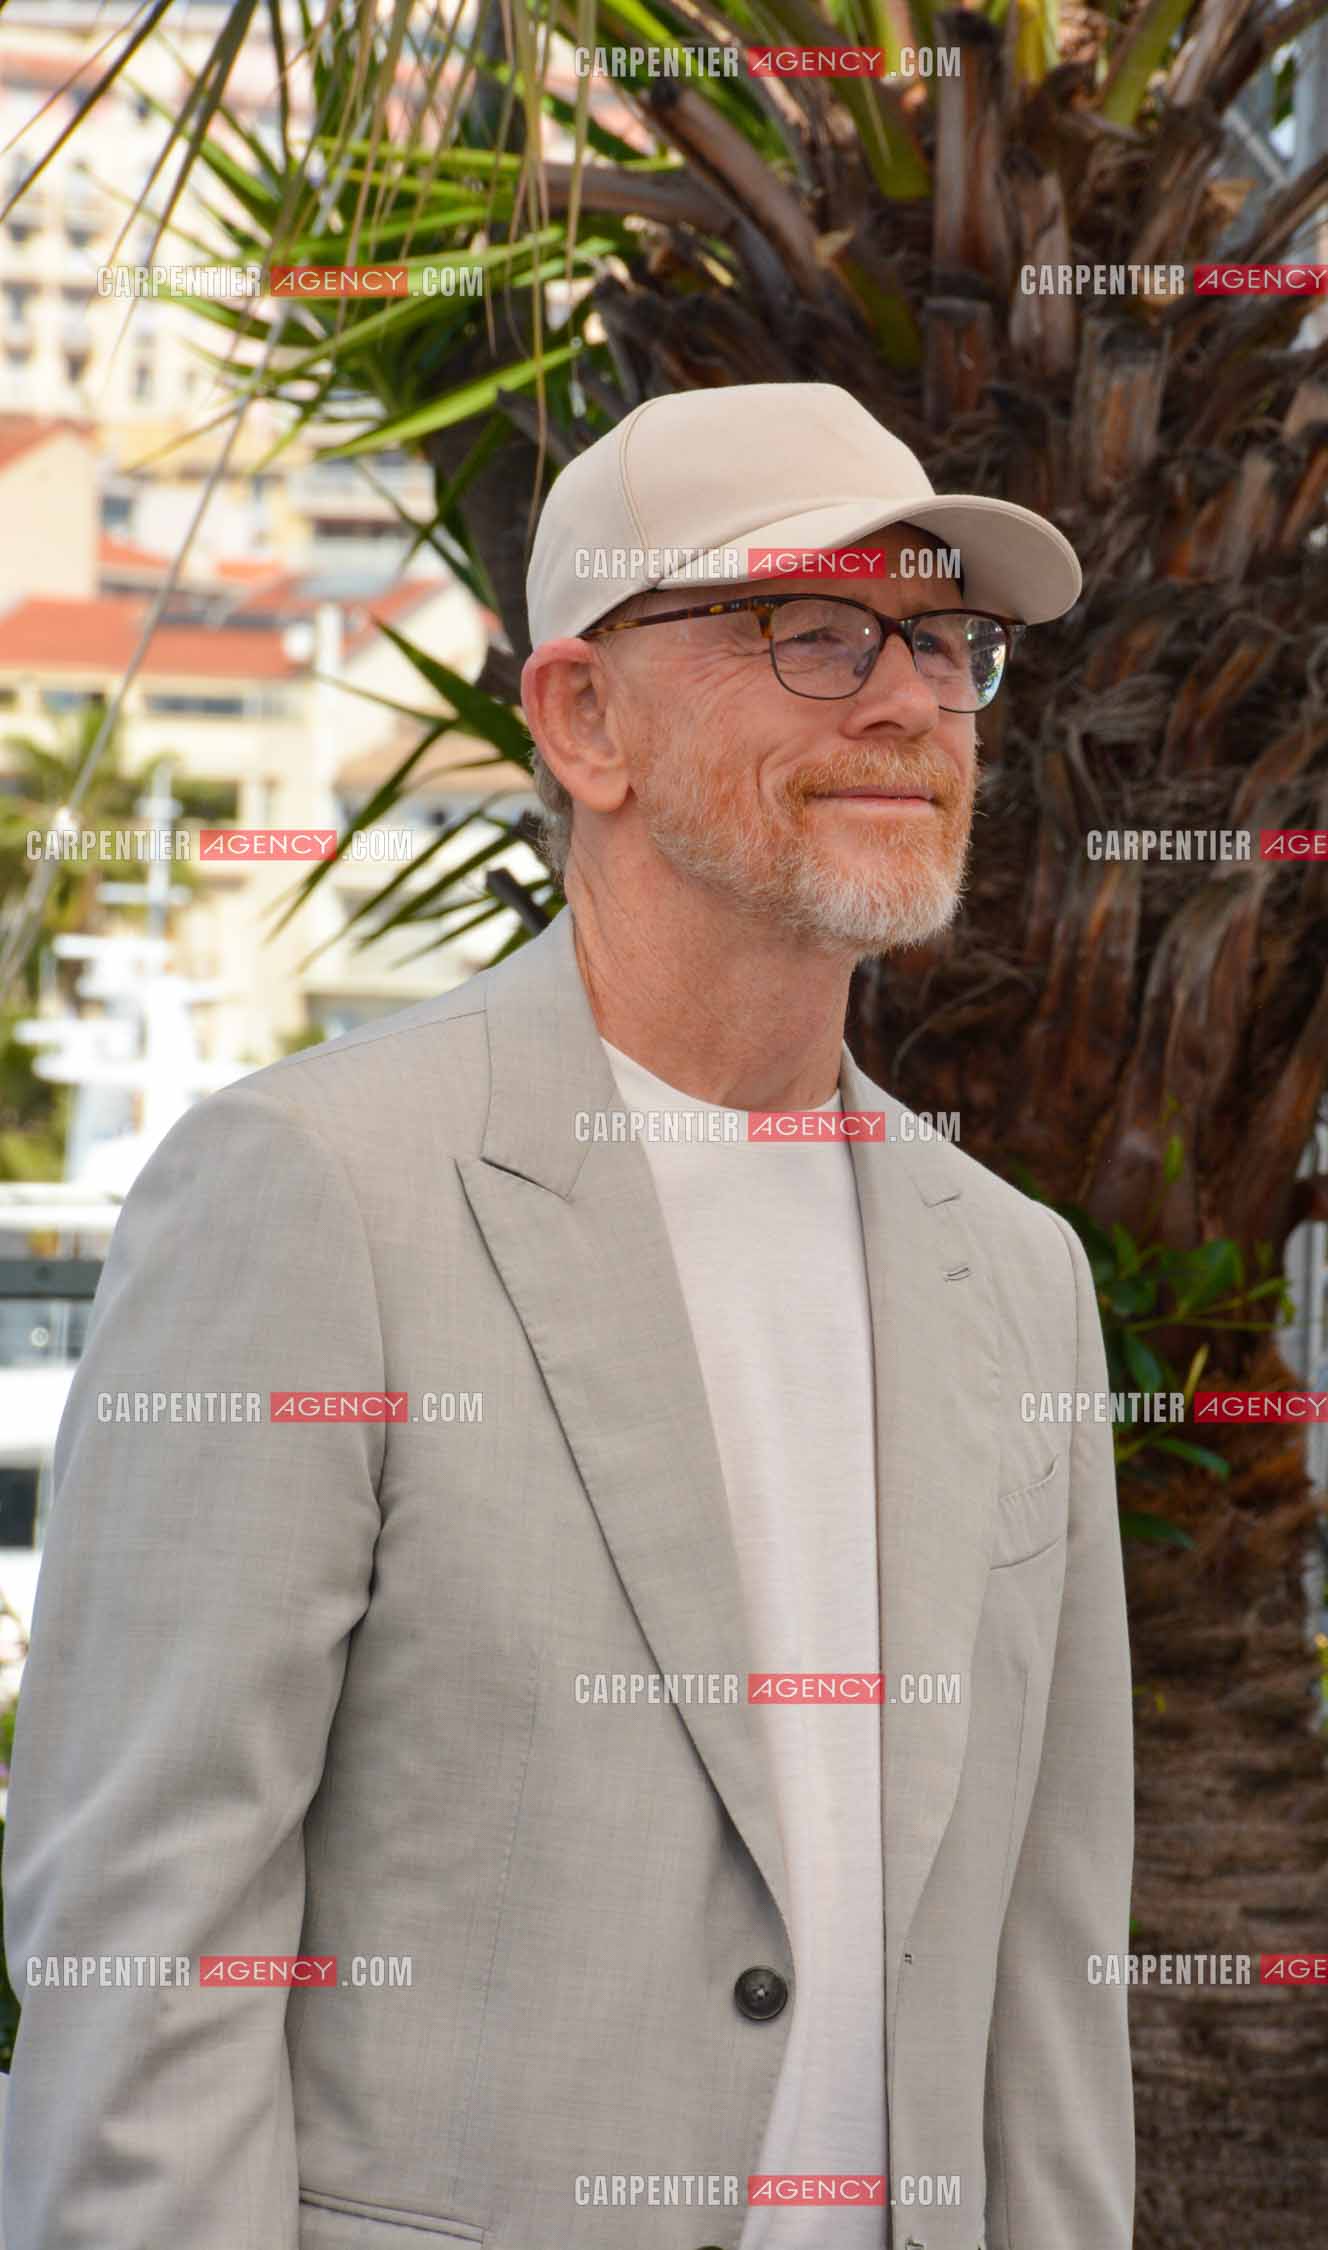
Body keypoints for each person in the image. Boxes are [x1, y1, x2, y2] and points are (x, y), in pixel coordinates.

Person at [1, 379, 1134, 2250]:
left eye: (944, 643)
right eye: (815, 628)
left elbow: (1052, 1975)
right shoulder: (314, 1190)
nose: (907, 701)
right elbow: (148, 1953)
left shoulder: (1022, 1278)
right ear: (583, 717)